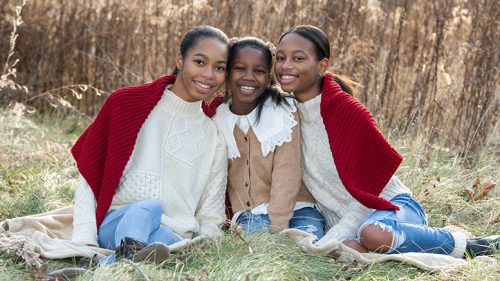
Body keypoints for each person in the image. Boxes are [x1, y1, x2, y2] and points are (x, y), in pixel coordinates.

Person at [273, 25, 499, 258]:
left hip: (387, 209)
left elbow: (369, 195)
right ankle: (406, 243)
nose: (286, 66)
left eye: (298, 58)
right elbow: (250, 81)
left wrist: (332, 238)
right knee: (350, 249)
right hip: (346, 224)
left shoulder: (348, 113)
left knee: (372, 235)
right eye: (280, 58)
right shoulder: (282, 114)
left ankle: (474, 245)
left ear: (322, 65)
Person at [70, 25, 229, 264]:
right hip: (119, 222)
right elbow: (89, 176)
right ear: (180, 60)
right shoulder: (127, 105)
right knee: (148, 209)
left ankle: (102, 267)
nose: (208, 74)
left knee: (164, 246)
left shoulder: (214, 136)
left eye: (219, 68)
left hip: (169, 237)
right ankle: (125, 260)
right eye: (199, 62)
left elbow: (210, 213)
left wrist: (208, 252)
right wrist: (84, 240)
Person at [211, 37, 325, 239]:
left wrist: (277, 227)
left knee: (308, 245)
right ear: (227, 72)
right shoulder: (219, 118)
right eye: (240, 68)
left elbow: (287, 172)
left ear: (269, 77)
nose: (249, 77)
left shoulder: (283, 113)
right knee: (256, 250)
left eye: (259, 71)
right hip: (250, 214)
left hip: (298, 208)